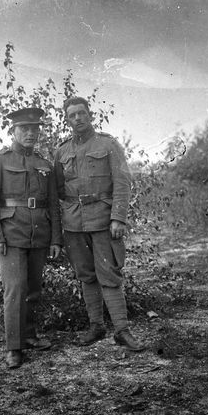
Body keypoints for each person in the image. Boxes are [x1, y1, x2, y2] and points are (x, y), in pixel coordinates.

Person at [54, 96, 145, 351]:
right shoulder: (61, 151)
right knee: (86, 276)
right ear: (67, 119)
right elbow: (59, 189)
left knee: (110, 275)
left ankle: (122, 330)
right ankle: (96, 326)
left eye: (82, 113)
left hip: (104, 221)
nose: (78, 118)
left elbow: (123, 182)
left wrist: (118, 218)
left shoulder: (108, 144)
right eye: (72, 115)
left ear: (90, 114)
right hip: (74, 224)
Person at [0, 107, 62, 369]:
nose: (30, 133)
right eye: (24, 129)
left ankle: (30, 335)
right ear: (12, 131)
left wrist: (56, 239)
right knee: (15, 289)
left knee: (33, 289)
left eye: (35, 129)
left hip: (40, 232)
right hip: (11, 234)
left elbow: (53, 205)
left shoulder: (44, 164)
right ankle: (14, 347)